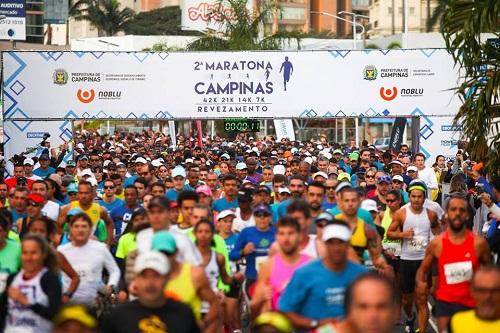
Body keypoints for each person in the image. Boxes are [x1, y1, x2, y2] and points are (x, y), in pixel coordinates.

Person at [416, 194, 491, 332]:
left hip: (471, 303)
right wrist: (421, 285)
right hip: (446, 303)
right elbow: (423, 270)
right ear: (446, 214)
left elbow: (490, 272)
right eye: (453, 209)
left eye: (462, 210)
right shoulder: (436, 244)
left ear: (467, 215)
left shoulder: (479, 244)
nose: (457, 213)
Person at [278, 220, 367, 332]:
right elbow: (285, 310)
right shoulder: (304, 274)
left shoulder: (361, 275)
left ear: (348, 244)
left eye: (340, 242)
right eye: (331, 242)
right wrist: (316, 323)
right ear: (324, 243)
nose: (336, 247)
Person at [387, 180, 441, 333]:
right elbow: (389, 234)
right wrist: (402, 234)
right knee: (407, 299)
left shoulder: (431, 214)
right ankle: (410, 316)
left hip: (424, 260)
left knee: (422, 298)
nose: (417, 200)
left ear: (424, 198)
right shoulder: (401, 213)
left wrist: (436, 243)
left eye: (420, 197)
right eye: (414, 196)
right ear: (409, 196)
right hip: (407, 260)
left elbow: (439, 233)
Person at [101, 250, 200, 333]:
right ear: (136, 280)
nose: (150, 283)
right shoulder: (118, 316)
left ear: (167, 279)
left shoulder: (183, 314)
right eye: (144, 276)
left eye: (156, 276)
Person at [153, 231, 219, 332]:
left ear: (176, 252)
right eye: (159, 254)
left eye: (167, 253)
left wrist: (203, 324)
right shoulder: (147, 276)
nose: (164, 258)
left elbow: (215, 304)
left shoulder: (194, 274)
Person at [0, 234, 61, 333]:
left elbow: (56, 315)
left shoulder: (49, 279)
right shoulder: (13, 278)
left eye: (33, 253)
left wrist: (28, 303)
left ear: (43, 254)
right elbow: (2, 310)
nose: (28, 258)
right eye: (25, 253)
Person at [251, 217, 311, 316]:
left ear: (300, 236)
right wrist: (261, 299)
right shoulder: (268, 266)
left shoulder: (311, 264)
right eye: (281, 234)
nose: (286, 239)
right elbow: (253, 310)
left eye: (290, 233)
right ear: (276, 237)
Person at [57, 212, 120, 306]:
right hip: (68, 302)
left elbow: (114, 270)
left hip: (94, 303)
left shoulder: (101, 248)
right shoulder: (61, 250)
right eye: (76, 226)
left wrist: (111, 285)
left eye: (84, 226)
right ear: (70, 228)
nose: (80, 230)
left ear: (90, 229)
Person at [194, 220, 244, 331]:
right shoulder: (188, 257)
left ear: (212, 235)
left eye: (207, 232)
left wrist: (235, 278)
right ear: (195, 234)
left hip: (213, 305)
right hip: (194, 306)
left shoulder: (218, 257)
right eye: (200, 231)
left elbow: (225, 279)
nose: (203, 235)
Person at [26, 216, 80, 304]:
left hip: (51, 304)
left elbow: (75, 278)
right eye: (34, 230)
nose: (38, 234)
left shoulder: (56, 255)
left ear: (48, 234)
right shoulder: (21, 253)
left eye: (42, 231)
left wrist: (67, 295)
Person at [230, 204, 276, 288]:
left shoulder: (278, 232)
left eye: (265, 215)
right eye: (258, 215)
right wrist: (243, 252)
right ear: (254, 217)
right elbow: (232, 256)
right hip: (252, 278)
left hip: (273, 279)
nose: (262, 218)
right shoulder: (246, 232)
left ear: (270, 217)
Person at [58, 181, 114, 247]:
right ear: (78, 193)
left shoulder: (100, 210)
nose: (83, 196)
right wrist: (65, 241)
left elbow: (109, 224)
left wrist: (108, 243)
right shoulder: (68, 208)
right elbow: (58, 227)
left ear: (92, 193)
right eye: (81, 193)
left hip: (91, 248)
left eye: (86, 193)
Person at [448, 265, 500, 333]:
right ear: (472, 291)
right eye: (482, 290)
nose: (488, 296)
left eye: (494, 290)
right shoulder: (456, 322)